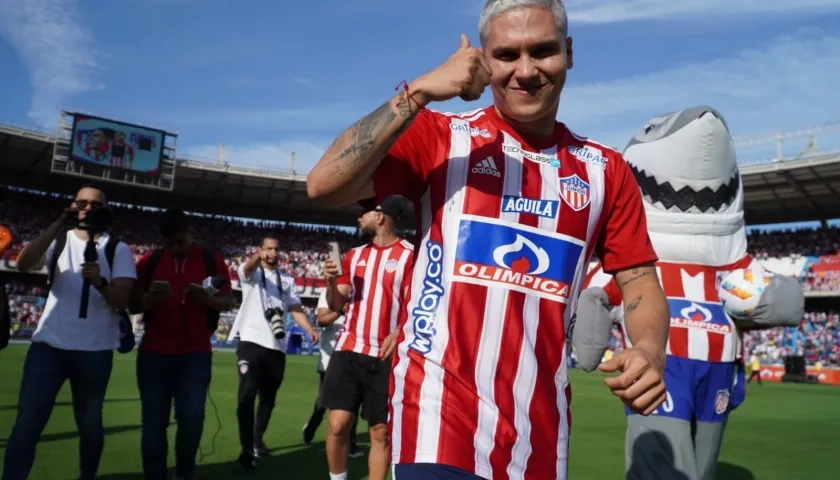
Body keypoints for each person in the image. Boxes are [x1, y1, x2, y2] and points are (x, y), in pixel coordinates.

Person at [305, 1, 671, 478]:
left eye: (542, 51)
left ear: (569, 52)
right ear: (483, 60)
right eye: (507, 55)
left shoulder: (606, 171)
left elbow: (640, 280)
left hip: (541, 432)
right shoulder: (442, 138)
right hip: (436, 417)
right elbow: (324, 184)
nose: (526, 71)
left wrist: (649, 348)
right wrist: (417, 93)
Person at [2, 185, 136, 480]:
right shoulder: (59, 240)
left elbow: (123, 300)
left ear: (106, 209)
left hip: (95, 350)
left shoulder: (117, 249)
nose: (86, 208)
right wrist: (56, 225)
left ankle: (86, 476)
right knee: (28, 422)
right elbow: (23, 264)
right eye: (81, 202)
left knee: (89, 427)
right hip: (49, 345)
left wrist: (100, 282)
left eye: (94, 204)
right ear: (72, 205)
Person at [131, 208, 233, 480]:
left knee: (192, 419)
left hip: (195, 353)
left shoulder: (212, 260)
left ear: (191, 232)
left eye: (180, 241)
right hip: (154, 353)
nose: (175, 248)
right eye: (169, 243)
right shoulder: (148, 262)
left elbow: (228, 301)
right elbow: (131, 304)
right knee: (153, 425)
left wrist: (205, 299)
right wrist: (149, 299)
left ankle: (184, 473)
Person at [319, 196, 415, 480]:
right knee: (338, 424)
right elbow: (337, 304)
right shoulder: (354, 255)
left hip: (386, 356)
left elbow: (417, 305)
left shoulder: (411, 255)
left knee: (380, 432)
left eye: (364, 213)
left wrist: (399, 332)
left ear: (381, 217)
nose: (359, 219)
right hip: (349, 349)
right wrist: (331, 281)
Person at [227, 234, 320, 470]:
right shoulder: (252, 274)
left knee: (268, 399)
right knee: (247, 393)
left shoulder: (286, 280)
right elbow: (247, 268)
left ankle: (257, 440)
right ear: (260, 250)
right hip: (250, 341)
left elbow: (295, 307)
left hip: (276, 347)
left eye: (276, 249)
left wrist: (308, 327)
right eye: (268, 248)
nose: (273, 252)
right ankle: (246, 447)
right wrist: (258, 257)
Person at [301, 289, 363, 458]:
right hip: (330, 358)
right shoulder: (328, 294)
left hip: (352, 355)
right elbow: (321, 320)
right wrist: (341, 311)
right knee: (323, 402)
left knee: (352, 402)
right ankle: (311, 427)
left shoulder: (360, 296)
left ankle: (351, 445)